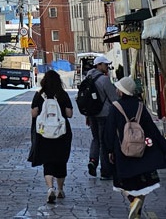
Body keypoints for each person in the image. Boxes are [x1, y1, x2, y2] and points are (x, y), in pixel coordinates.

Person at [103, 75, 166, 219]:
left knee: (122, 182)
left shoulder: (115, 107)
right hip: (141, 150)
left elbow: (109, 131)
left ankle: (133, 200)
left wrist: (109, 150)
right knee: (142, 183)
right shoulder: (140, 106)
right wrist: (160, 147)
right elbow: (151, 130)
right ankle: (137, 213)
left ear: (122, 91)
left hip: (122, 150)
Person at [29, 69, 74, 203]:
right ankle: (60, 189)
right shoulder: (62, 95)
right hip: (61, 134)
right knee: (61, 161)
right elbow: (70, 114)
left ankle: (50, 188)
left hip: (44, 134)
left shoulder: (39, 95)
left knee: (48, 161)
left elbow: (33, 114)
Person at [85, 55, 119, 179]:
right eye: (105, 65)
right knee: (104, 142)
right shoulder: (104, 80)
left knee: (95, 139)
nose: (107, 67)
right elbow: (114, 98)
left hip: (92, 114)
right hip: (104, 115)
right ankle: (105, 171)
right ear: (98, 65)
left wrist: (87, 115)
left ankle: (92, 160)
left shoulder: (87, 78)